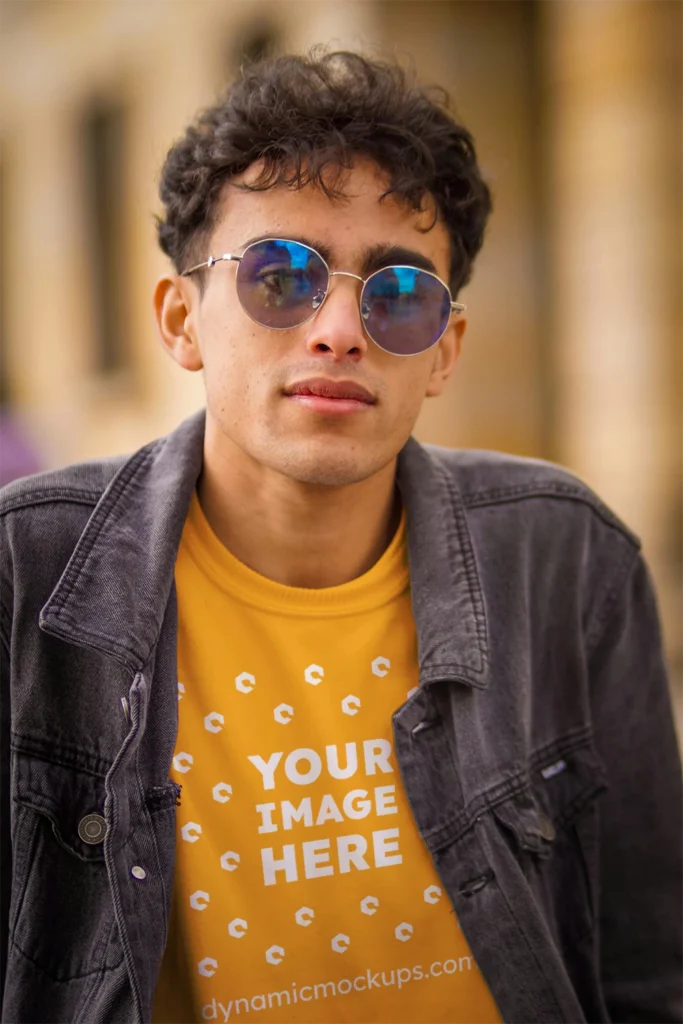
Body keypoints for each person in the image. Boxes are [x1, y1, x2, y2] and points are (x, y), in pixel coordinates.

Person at [0, 50, 681, 1024]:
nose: (338, 328)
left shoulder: (563, 557)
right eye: (280, 276)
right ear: (180, 318)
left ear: (442, 349)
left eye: (398, 293)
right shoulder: (27, 573)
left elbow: (646, 972)